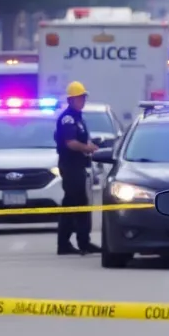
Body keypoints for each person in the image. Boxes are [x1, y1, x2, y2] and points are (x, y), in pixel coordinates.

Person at [54, 81, 101, 255]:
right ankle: (76, 243)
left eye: (83, 97)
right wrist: (86, 148)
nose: (83, 100)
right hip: (71, 166)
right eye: (80, 97)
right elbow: (70, 143)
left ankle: (74, 242)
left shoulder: (78, 117)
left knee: (75, 204)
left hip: (79, 166)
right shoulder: (68, 118)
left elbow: (79, 140)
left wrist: (89, 145)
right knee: (76, 204)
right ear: (71, 99)